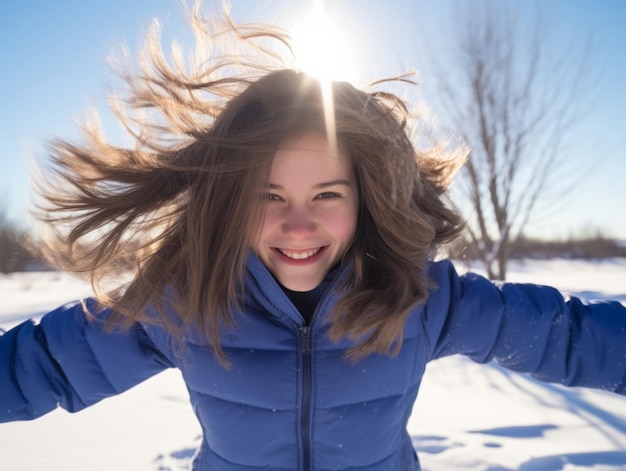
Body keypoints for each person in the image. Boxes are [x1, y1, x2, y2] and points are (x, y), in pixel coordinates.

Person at [1, 8, 625, 471]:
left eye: (327, 195)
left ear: (365, 200)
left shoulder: (420, 298)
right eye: (267, 196)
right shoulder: (187, 303)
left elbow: (566, 336)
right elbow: (41, 367)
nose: (298, 227)